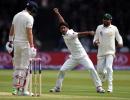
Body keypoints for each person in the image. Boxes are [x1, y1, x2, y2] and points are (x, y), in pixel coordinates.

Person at [50, 8, 105, 93]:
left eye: (64, 28)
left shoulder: (71, 33)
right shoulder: (64, 33)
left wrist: (89, 32)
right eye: (61, 28)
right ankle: (57, 88)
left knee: (91, 68)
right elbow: (62, 21)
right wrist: (57, 13)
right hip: (73, 58)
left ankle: (99, 87)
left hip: (83, 56)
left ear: (67, 28)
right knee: (62, 70)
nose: (63, 29)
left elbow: (79, 34)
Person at [6, 1, 38, 96]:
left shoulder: (16, 15)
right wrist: (32, 46)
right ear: (32, 9)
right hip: (25, 45)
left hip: (16, 43)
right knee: (25, 68)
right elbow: (29, 32)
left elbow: (12, 29)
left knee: (17, 67)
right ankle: (24, 91)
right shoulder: (29, 17)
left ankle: (15, 89)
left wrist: (10, 41)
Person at [93, 13, 123, 93]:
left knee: (109, 67)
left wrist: (120, 42)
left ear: (110, 20)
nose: (105, 20)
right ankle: (104, 75)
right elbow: (95, 38)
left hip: (110, 51)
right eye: (104, 19)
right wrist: (95, 42)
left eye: (107, 19)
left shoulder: (114, 28)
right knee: (99, 70)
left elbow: (119, 37)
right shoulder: (99, 27)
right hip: (101, 52)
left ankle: (110, 87)